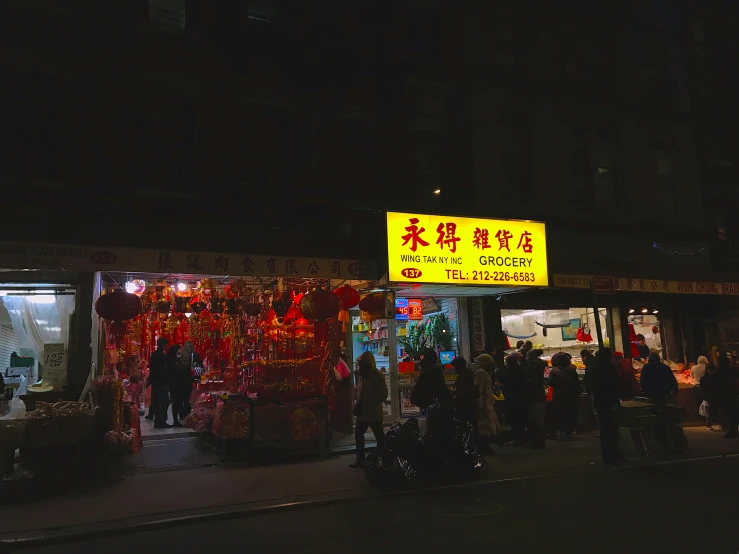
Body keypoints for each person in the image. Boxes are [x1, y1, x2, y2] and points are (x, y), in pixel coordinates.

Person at [350, 351, 387, 468]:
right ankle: (360, 459)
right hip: (363, 412)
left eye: (360, 365)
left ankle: (383, 458)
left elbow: (383, 394)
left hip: (373, 413)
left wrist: (370, 402)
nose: (359, 368)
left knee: (379, 436)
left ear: (367, 365)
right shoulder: (362, 377)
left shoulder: (377, 376)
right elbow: (360, 392)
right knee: (359, 434)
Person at [591, 348, 623, 466]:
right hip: (608, 404)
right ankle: (613, 457)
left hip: (601, 404)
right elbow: (613, 387)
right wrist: (615, 403)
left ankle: (609, 457)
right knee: (611, 431)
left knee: (606, 431)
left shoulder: (596, 369)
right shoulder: (608, 369)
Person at [548, 352, 581, 439]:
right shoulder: (572, 371)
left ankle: (555, 432)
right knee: (570, 414)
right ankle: (568, 432)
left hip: (559, 395)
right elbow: (576, 383)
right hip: (571, 395)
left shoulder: (554, 371)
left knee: (556, 414)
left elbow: (551, 383)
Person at [500, 354, 530, 445]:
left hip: (514, 399)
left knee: (515, 420)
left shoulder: (511, 372)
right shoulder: (520, 370)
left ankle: (518, 439)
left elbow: (508, 382)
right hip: (521, 398)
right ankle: (522, 438)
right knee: (520, 420)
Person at [473, 353, 498, 452]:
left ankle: (485, 445)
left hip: (486, 400)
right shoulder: (481, 373)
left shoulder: (483, 372)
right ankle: (484, 446)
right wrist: (480, 403)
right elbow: (479, 389)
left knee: (487, 423)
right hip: (484, 401)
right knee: (485, 423)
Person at [147, 337, 171, 429]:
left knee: (157, 402)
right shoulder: (162, 356)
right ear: (164, 345)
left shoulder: (154, 355)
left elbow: (152, 369)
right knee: (164, 401)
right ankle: (161, 421)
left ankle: (158, 421)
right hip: (161, 382)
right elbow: (165, 369)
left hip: (154, 382)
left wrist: (150, 380)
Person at [525, 349, 547, 448]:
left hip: (534, 395)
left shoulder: (532, 366)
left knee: (535, 420)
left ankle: (537, 442)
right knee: (539, 420)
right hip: (539, 394)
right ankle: (540, 441)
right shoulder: (540, 365)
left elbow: (530, 378)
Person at [716, 352, 739, 438]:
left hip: (725, 394)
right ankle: (733, 430)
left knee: (729, 413)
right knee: (733, 413)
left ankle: (732, 431)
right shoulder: (732, 370)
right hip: (732, 394)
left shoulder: (720, 372)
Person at [452, 357, 476, 428]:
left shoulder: (464, 377)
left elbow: (464, 392)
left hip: (465, 405)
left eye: (455, 367)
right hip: (468, 404)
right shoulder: (467, 374)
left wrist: (456, 397)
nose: (454, 369)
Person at [177, 341, 200, 420]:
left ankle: (181, 414)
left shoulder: (180, 355)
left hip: (180, 379)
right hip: (188, 379)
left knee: (181, 398)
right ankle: (186, 414)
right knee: (187, 398)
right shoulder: (192, 355)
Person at [166, 344, 183, 426]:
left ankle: (177, 418)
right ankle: (175, 419)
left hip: (176, 382)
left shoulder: (173, 359)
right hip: (174, 383)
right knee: (176, 402)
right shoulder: (171, 360)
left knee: (177, 401)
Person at [699, 363, 720, 430]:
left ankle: (711, 423)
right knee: (709, 411)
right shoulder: (708, 378)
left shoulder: (709, 377)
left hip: (711, 396)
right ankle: (709, 423)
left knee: (711, 410)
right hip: (709, 396)